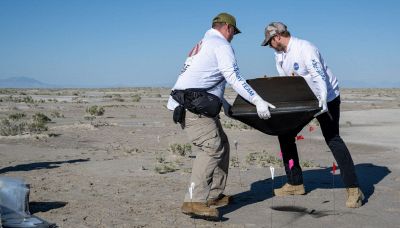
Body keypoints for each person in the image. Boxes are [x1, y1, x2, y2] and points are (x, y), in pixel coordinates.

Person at [167, 13, 275, 219]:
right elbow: (233, 76)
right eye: (234, 31)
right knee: (211, 148)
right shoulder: (221, 45)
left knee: (222, 145)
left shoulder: (204, 44)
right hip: (195, 108)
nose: (233, 36)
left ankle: (215, 194)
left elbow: (205, 78)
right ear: (227, 27)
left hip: (194, 104)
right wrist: (258, 100)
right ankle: (194, 200)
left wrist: (224, 102)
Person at [261, 22, 364, 208]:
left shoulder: (305, 48)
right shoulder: (279, 55)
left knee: (333, 139)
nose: (269, 46)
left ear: (277, 37)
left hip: (327, 98)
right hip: (305, 101)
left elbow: (319, 76)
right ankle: (295, 183)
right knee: (285, 135)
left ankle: (354, 189)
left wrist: (323, 99)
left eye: (269, 41)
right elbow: (287, 82)